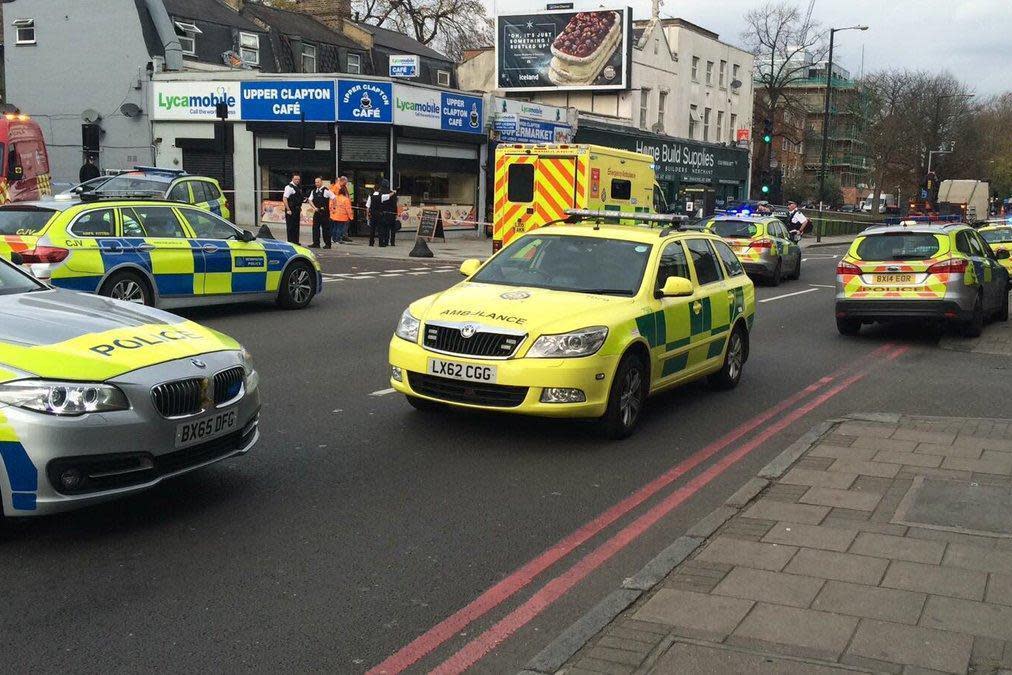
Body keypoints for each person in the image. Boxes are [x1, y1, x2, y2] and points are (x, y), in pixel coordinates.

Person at [366, 179, 397, 247]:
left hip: (372, 214)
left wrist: (367, 215)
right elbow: (389, 196)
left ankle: (371, 242)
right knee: (381, 229)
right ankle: (382, 242)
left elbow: (368, 206)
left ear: (374, 189)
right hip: (380, 214)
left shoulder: (370, 196)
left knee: (372, 229)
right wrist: (394, 192)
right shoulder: (381, 196)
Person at [309, 176, 335, 248]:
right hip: (317, 212)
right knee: (315, 228)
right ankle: (316, 243)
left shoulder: (326, 190)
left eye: (318, 182)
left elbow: (334, 198)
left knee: (325, 229)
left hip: (324, 213)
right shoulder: (313, 191)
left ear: (321, 182)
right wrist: (314, 207)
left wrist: (333, 208)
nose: (316, 183)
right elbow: (310, 200)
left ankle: (327, 244)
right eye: (315, 182)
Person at [283, 173, 304, 245]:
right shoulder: (289, 187)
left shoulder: (297, 187)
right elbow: (285, 199)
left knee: (296, 226)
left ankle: (295, 241)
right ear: (292, 179)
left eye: (298, 179)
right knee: (290, 226)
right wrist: (288, 209)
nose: (297, 180)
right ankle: (290, 242)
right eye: (295, 179)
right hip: (291, 209)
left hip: (297, 209)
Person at [336, 176, 353, 242]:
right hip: (342, 212)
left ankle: (342, 236)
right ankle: (340, 238)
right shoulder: (339, 187)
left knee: (341, 226)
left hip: (341, 212)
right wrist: (350, 216)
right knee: (340, 227)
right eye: (346, 181)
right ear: (343, 181)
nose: (347, 182)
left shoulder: (343, 187)